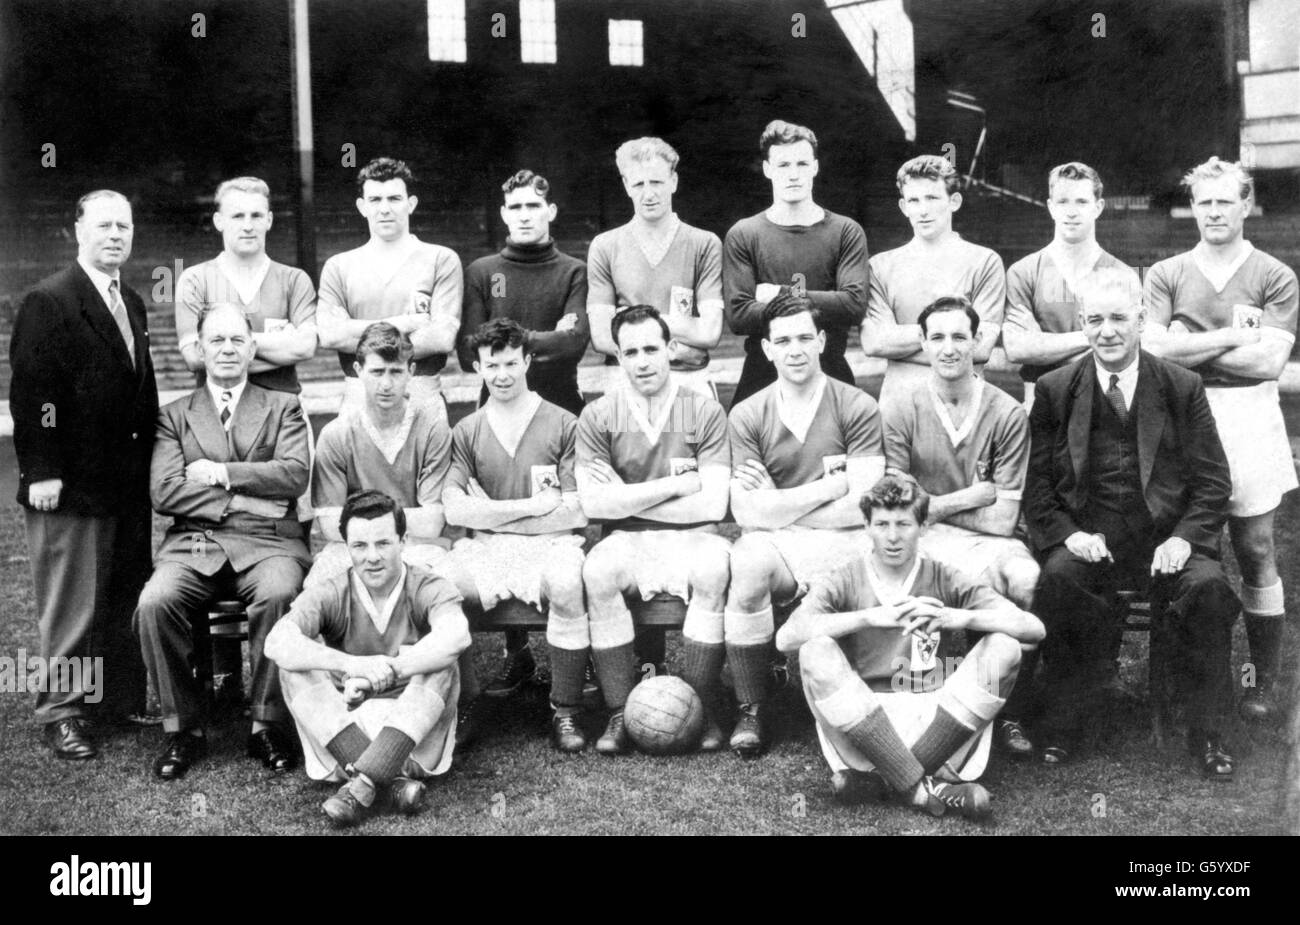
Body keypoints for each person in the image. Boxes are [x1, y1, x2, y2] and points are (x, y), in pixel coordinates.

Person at [1026, 270, 1240, 778]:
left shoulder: (1181, 386)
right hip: (1090, 541)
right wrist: (1071, 535)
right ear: (1081, 324)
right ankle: (1065, 722)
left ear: (1142, 320)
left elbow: (1213, 482)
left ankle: (1210, 732)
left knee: (1208, 588)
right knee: (1058, 578)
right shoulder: (1056, 389)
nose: (1107, 331)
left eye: (1119, 318)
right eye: (1095, 320)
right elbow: (1037, 490)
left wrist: (1186, 540)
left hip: (1166, 541)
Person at [777, 476, 1044, 819]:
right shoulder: (845, 578)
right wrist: (869, 617)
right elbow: (786, 638)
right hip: (865, 724)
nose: (892, 536)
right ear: (866, 527)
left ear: (923, 526)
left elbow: (1034, 629)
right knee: (814, 651)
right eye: (882, 524)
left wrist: (957, 618)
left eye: (903, 524)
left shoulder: (944, 576)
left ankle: (885, 783)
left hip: (941, 723)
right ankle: (927, 789)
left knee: (1005, 648)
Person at [1144, 156, 1298, 722]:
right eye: (1203, 201)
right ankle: (1183, 684)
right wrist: (1237, 334)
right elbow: (1154, 350)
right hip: (1182, 419)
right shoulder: (1166, 272)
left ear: (1246, 203)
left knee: (1255, 550)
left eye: (1224, 201)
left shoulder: (1275, 273)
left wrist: (1196, 340)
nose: (1213, 211)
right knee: (1184, 548)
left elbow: (1269, 362)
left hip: (1251, 420)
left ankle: (1259, 682)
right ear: (1193, 206)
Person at [134, 303, 311, 780]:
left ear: (253, 348)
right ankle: (183, 728)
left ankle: (266, 722)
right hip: (195, 542)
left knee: (280, 593)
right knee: (156, 601)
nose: (228, 349)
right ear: (200, 350)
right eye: (217, 340)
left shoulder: (284, 406)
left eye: (237, 340)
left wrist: (222, 474)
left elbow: (293, 474)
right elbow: (164, 490)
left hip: (269, 541)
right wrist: (244, 502)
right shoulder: (174, 415)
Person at [10, 190, 158, 759]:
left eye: (124, 225)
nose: (116, 235)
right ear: (78, 230)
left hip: (126, 484)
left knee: (123, 595)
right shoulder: (49, 300)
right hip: (69, 485)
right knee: (72, 603)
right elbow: (32, 393)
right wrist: (42, 471)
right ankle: (62, 711)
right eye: (104, 226)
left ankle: (116, 702)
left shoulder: (134, 301)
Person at [726, 290, 885, 756]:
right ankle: (752, 703)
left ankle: (872, 689)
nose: (794, 350)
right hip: (782, 542)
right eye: (782, 340)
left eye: (803, 338)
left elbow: (863, 505)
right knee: (749, 560)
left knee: (876, 566)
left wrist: (779, 500)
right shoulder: (747, 412)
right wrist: (823, 489)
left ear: (821, 341)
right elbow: (746, 513)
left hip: (847, 537)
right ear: (766, 348)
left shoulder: (857, 405)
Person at [882, 295, 1041, 758]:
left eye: (959, 337)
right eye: (937, 337)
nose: (949, 348)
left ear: (976, 342)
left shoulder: (1007, 411)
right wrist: (973, 493)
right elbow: (902, 510)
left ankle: (1010, 708)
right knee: (904, 579)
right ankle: (917, 699)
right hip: (922, 536)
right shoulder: (900, 407)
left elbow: (1004, 518)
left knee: (1027, 580)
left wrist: (930, 502)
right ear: (923, 344)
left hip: (992, 538)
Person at [576, 306, 732, 755]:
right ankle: (620, 712)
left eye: (651, 348)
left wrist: (627, 497)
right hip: (626, 539)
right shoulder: (600, 414)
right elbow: (593, 504)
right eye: (630, 352)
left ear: (671, 349)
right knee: (598, 573)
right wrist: (675, 486)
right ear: (618, 358)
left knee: (713, 571)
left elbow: (713, 503)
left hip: (694, 534)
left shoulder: (702, 410)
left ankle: (698, 708)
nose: (642, 360)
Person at [265, 490, 470, 829]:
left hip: (413, 736)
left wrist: (390, 670)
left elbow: (457, 635)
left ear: (404, 541)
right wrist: (351, 666)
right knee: (293, 665)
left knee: (442, 662)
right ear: (346, 547)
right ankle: (388, 783)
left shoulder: (427, 585)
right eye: (359, 546)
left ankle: (360, 786)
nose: (372, 557)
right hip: (345, 727)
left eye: (383, 543)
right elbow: (277, 641)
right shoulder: (333, 590)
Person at [441, 319, 589, 751]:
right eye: (492, 365)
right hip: (488, 547)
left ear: (527, 360)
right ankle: (466, 704)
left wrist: (486, 511)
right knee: (444, 587)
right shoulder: (467, 429)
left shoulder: (564, 423)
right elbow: (453, 508)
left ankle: (565, 708)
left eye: (510, 363)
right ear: (477, 367)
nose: (502, 375)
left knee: (565, 581)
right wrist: (528, 507)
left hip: (553, 544)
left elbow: (575, 510)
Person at [723, 120, 868, 407]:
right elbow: (739, 316)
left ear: (815, 167)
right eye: (783, 165)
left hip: (830, 370)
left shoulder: (845, 231)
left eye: (802, 164)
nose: (793, 175)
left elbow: (853, 305)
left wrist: (780, 294)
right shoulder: (744, 234)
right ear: (767, 169)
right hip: (762, 375)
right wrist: (825, 302)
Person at [317, 157, 462, 424]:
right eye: (375, 200)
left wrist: (357, 332)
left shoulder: (441, 259)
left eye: (394, 199)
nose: (384, 209)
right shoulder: (339, 266)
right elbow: (330, 335)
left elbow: (440, 338)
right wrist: (404, 323)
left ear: (411, 203)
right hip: (359, 395)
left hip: (421, 392)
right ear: (362, 206)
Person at [306, 322, 452, 586]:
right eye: (377, 372)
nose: (386, 383)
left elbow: (432, 523)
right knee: (316, 588)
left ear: (411, 371)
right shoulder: (336, 434)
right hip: (353, 548)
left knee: (447, 584)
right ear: (359, 371)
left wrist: (360, 522)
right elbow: (329, 525)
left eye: (395, 372)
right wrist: (395, 524)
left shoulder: (433, 428)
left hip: (416, 546)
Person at [863, 155, 1005, 409]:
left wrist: (898, 344)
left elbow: (981, 348)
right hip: (899, 406)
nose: (923, 210)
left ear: (954, 201)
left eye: (932, 198)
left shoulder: (984, 261)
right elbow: (875, 342)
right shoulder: (880, 266)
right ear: (903, 206)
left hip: (962, 405)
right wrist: (957, 337)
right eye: (914, 200)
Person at [587, 138, 725, 399]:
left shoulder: (704, 243)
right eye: (639, 184)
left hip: (688, 381)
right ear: (627, 186)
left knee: (691, 440)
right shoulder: (604, 246)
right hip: (624, 381)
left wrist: (629, 319)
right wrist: (681, 338)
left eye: (657, 182)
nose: (649, 194)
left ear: (673, 182)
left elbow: (709, 333)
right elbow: (603, 337)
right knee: (625, 440)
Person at [1002, 162, 1138, 409]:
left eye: (1081, 202)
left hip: (1103, 403)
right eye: (1063, 202)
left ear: (1098, 207)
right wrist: (1096, 337)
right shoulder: (1024, 271)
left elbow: (1129, 350)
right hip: (1042, 404)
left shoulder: (1123, 275)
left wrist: (1043, 343)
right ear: (1051, 207)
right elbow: (1017, 348)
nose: (1071, 211)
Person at [458, 169, 589, 415]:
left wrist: (497, 339)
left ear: (551, 211)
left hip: (562, 406)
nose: (524, 216)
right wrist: (550, 339)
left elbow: (573, 345)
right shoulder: (483, 272)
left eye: (533, 206)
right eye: (516, 207)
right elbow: (467, 354)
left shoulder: (574, 272)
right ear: (504, 214)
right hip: (497, 408)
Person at [175, 176, 317, 394]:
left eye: (256, 216)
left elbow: (305, 348)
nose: (248, 226)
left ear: (269, 220)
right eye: (238, 216)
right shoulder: (194, 279)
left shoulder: (294, 279)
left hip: (283, 412)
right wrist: (281, 343)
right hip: (217, 414)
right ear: (218, 221)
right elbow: (194, 357)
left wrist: (222, 345)